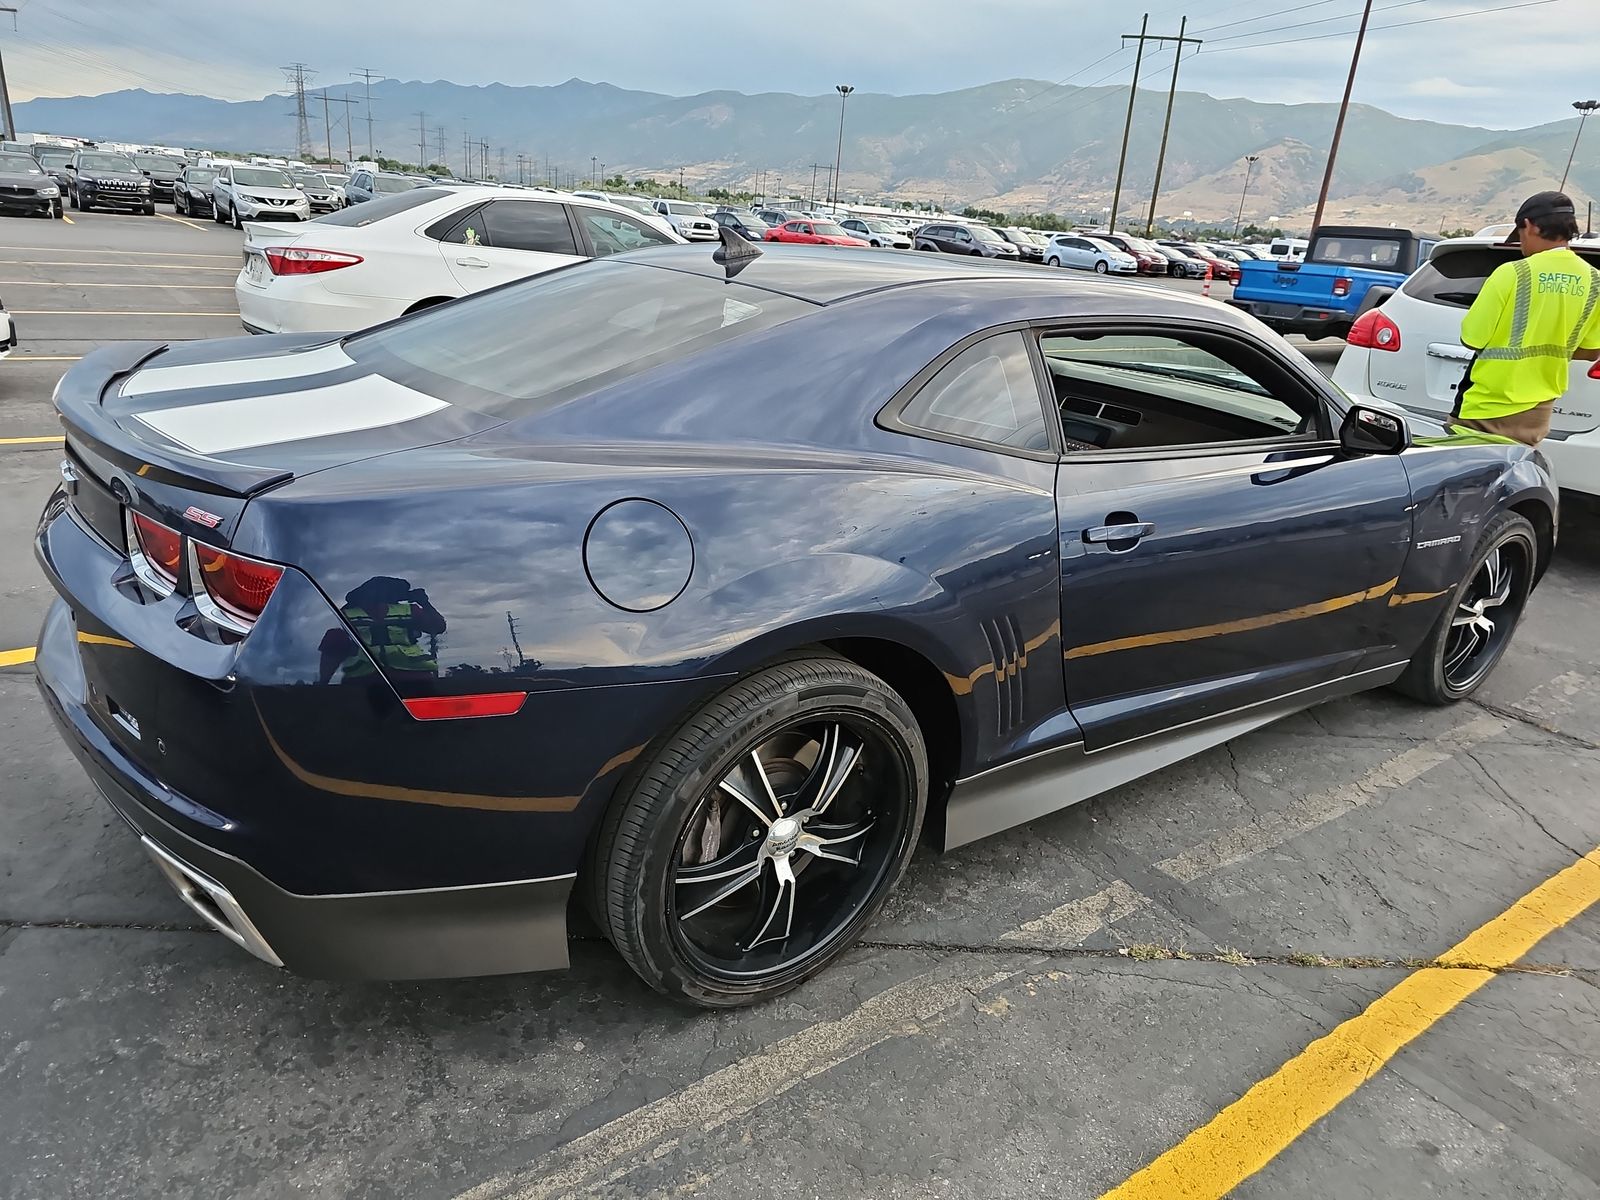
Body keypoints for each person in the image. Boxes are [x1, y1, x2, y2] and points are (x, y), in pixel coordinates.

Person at [1454, 191, 1600, 445]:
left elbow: (1471, 338)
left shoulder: (1512, 273)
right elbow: (1590, 352)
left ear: (1529, 226)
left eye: (1520, 234)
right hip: (1538, 412)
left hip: (1485, 406)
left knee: (1463, 477)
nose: (1521, 244)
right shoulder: (1595, 281)